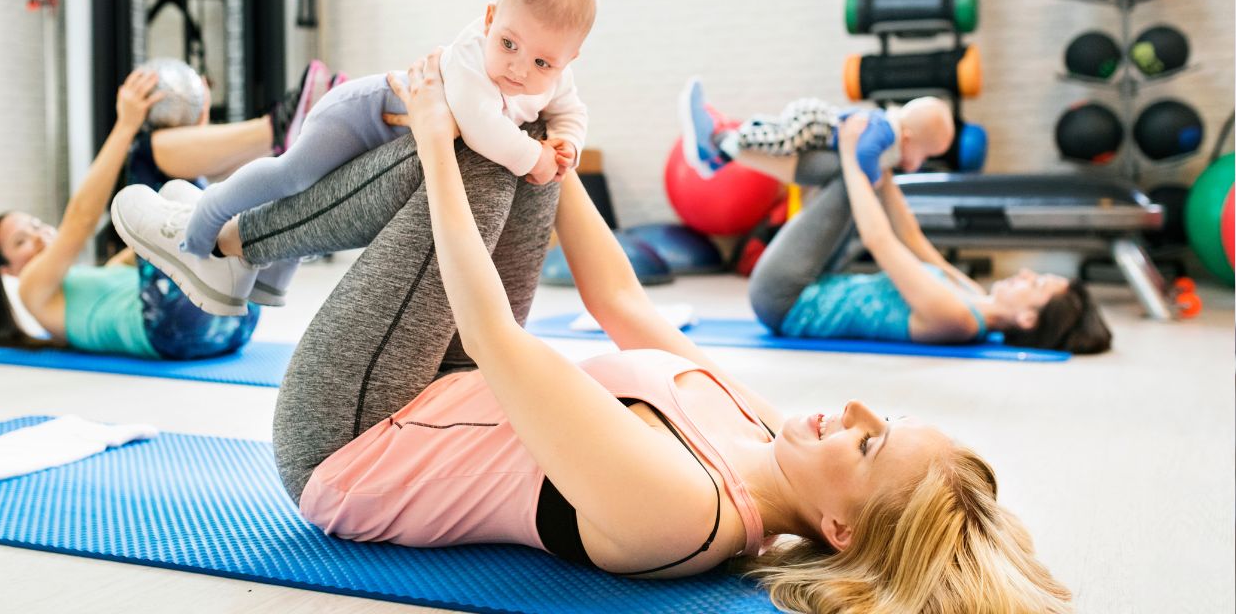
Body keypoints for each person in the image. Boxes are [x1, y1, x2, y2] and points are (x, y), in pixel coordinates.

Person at [121, 51, 1073, 611]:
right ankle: (237, 242)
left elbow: (498, 338)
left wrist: (446, 147)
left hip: (353, 441)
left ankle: (228, 243)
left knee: (477, 160)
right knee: (508, 144)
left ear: (836, 526)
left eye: (868, 444)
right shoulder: (762, 428)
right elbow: (624, 306)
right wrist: (550, 135)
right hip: (439, 383)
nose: (850, 411)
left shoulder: (685, 508)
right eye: (878, 415)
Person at [125, 0, 593, 316]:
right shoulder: (473, 56)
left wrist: (568, 141)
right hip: (361, 110)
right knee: (294, 176)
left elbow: (570, 110)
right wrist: (534, 157)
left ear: (568, 61)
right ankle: (201, 225)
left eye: (542, 63)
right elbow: (481, 126)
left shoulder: (552, 78)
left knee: (325, 197)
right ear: (490, 18)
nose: (517, 67)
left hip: (393, 136)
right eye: (509, 44)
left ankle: (269, 281)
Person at [0, 65, 312, 358]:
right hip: (177, 327)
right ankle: (278, 131)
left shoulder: (89, 281)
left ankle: (286, 156)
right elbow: (81, 220)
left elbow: (166, 237)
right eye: (21, 240)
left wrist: (193, 140)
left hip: (231, 317)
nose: (39, 235)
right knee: (144, 156)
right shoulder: (31, 290)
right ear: (8, 270)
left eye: (37, 225)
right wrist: (125, 125)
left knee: (178, 207)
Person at [744, 112, 1112, 353]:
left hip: (786, 299)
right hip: (817, 281)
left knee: (847, 177)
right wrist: (884, 172)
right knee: (853, 174)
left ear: (1028, 319)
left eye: (1036, 285)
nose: (1026, 275)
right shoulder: (971, 294)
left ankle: (727, 147)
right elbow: (913, 240)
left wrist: (851, 154)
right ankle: (734, 147)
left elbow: (881, 242)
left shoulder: (957, 318)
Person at [679, 77, 955, 183]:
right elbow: (865, 153)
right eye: (923, 154)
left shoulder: (887, 126)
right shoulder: (887, 130)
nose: (919, 162)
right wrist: (873, 178)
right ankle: (725, 141)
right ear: (908, 138)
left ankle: (723, 146)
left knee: (775, 133)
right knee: (781, 141)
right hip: (817, 124)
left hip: (817, 123)